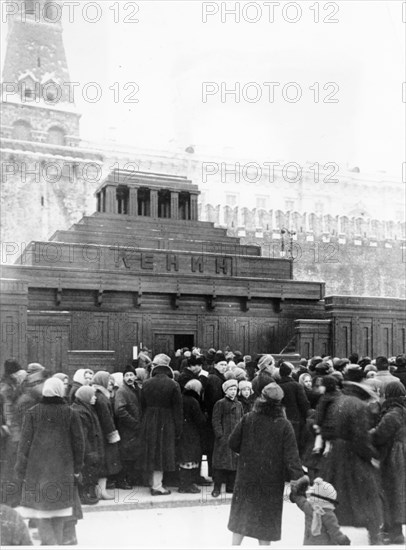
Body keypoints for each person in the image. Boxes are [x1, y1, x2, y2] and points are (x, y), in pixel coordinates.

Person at [227, 382, 304, 545]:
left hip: (247, 475)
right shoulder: (284, 424)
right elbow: (292, 457)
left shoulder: (248, 418)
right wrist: (299, 481)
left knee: (241, 518)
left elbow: (233, 442)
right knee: (265, 523)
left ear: (261, 398)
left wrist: (246, 454)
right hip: (271, 479)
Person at [15, 378, 84, 546]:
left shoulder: (32, 412)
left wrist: (21, 471)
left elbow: (24, 445)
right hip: (63, 471)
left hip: (37, 472)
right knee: (59, 513)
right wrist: (77, 469)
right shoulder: (70, 412)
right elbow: (79, 444)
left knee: (42, 515)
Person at [140, 354, 183, 496]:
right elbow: (178, 409)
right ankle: (158, 486)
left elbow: (142, 405)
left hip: (149, 419)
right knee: (162, 453)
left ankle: (152, 482)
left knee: (151, 451)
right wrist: (178, 428)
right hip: (166, 420)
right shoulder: (173, 384)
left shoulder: (146, 383)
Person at [370, 382, 406, 545]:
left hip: (393, 456)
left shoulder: (393, 413)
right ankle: (392, 530)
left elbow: (380, 434)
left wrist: (367, 434)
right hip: (399, 454)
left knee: (391, 492)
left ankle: (393, 533)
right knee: (396, 492)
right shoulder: (401, 410)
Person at [289, 476, 351, 545]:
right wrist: (343, 540)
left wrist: (297, 491)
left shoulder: (308, 507)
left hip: (309, 544)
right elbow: (334, 532)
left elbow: (299, 499)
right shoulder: (328, 514)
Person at [71, 385, 104, 505]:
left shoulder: (86, 408)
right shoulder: (80, 411)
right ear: (86, 396)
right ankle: (84, 495)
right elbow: (82, 435)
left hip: (90, 448)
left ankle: (86, 494)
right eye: (92, 395)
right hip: (87, 450)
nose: (95, 398)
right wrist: (90, 452)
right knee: (85, 473)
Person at [211, 379, 243, 497]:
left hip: (235, 439)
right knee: (221, 463)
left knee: (234, 463)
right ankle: (217, 488)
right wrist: (220, 435)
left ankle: (230, 486)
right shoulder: (220, 403)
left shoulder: (239, 404)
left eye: (235, 389)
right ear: (225, 391)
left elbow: (242, 420)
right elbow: (216, 420)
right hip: (224, 438)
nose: (233, 392)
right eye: (231, 389)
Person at [92, 371, 122, 499]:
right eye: (109, 380)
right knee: (105, 464)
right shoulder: (103, 398)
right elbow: (107, 419)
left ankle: (100, 491)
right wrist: (112, 434)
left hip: (100, 435)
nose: (112, 383)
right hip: (105, 436)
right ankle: (101, 492)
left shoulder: (99, 396)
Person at [114, 365, 143, 489]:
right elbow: (120, 410)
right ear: (123, 378)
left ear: (135, 376)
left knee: (133, 454)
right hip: (127, 429)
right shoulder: (122, 391)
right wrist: (134, 423)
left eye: (131, 375)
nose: (129, 378)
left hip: (135, 429)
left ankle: (131, 479)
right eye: (127, 375)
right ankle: (122, 481)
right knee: (125, 455)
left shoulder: (137, 389)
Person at [178, 379, 207, 494]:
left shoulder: (180, 398)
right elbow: (200, 419)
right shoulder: (193, 401)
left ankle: (183, 484)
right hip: (191, 433)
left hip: (181, 432)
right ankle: (187, 485)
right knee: (190, 458)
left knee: (184, 458)